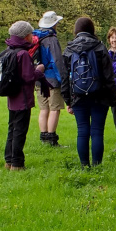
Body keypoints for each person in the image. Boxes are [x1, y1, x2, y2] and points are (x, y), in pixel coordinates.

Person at [61, 17, 116, 167]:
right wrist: (113, 98)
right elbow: (108, 76)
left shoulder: (69, 49)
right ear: (92, 29)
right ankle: (97, 166)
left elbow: (65, 78)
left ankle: (84, 166)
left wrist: (68, 100)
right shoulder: (100, 47)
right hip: (101, 96)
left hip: (78, 96)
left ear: (76, 30)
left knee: (82, 131)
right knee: (97, 131)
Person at [4, 21, 48, 171]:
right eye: (30, 34)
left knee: (12, 129)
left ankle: (8, 161)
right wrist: (39, 70)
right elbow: (28, 77)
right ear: (25, 36)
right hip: (23, 98)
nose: (32, 36)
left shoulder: (9, 50)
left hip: (12, 97)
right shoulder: (22, 54)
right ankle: (17, 163)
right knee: (20, 131)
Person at [34, 11, 68, 146]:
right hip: (52, 79)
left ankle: (44, 137)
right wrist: (63, 80)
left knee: (44, 109)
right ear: (54, 24)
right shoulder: (52, 39)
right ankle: (51, 138)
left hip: (39, 78)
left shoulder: (37, 37)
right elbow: (57, 61)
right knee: (55, 108)